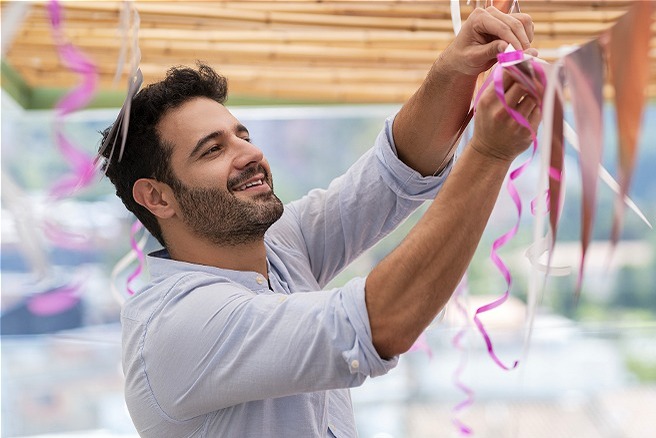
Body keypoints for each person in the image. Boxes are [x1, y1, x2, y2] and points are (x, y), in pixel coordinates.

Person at [100, 6, 541, 438]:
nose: (250, 154)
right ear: (157, 197)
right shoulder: (178, 325)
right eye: (213, 149)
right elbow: (382, 322)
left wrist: (456, 67)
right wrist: (489, 154)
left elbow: (396, 172)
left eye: (243, 136)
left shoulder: (278, 246)